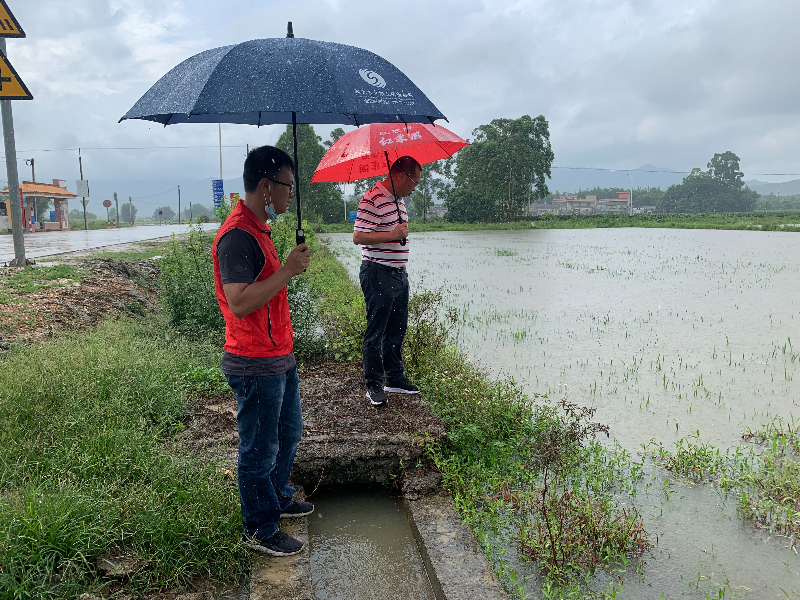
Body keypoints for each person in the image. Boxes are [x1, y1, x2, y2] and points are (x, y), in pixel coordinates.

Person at [212, 145, 312, 556]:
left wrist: (286, 267)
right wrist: (287, 270)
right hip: (253, 362)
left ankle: (278, 496)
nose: (291, 195)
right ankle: (258, 526)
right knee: (259, 447)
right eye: (288, 187)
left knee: (289, 433)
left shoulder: (261, 230)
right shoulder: (237, 236)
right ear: (266, 187)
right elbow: (238, 302)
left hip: (278, 356)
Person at [352, 155, 422, 407]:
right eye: (414, 181)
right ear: (401, 175)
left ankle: (394, 378)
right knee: (376, 330)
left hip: (398, 273)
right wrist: (393, 234)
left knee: (397, 328)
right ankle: (373, 384)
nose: (415, 187)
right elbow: (358, 236)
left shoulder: (398, 200)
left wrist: (396, 237)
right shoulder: (373, 198)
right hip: (377, 272)